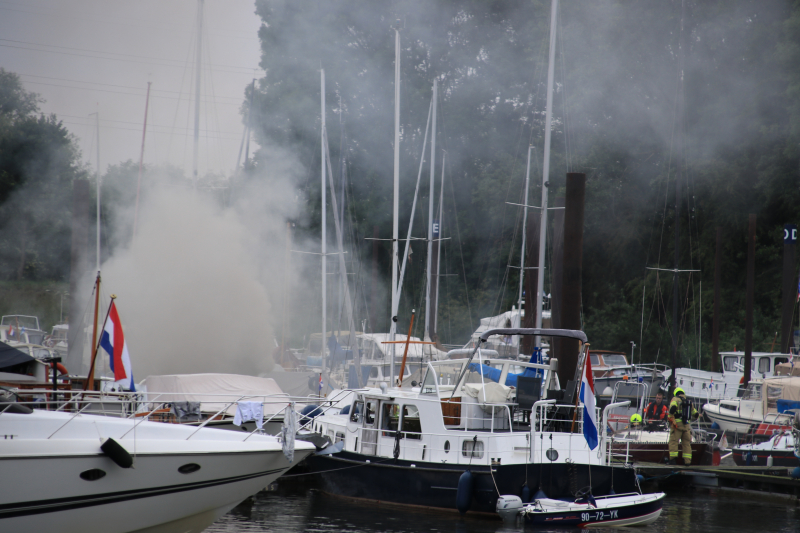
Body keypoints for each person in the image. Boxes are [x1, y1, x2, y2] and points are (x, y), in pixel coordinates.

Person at [667, 387, 699, 465]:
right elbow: (695, 414)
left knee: (674, 442)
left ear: (675, 393)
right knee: (687, 444)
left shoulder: (675, 399)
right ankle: (687, 462)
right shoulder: (688, 401)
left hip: (677, 426)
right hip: (686, 427)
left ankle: (673, 460)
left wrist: (671, 414)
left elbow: (672, 409)